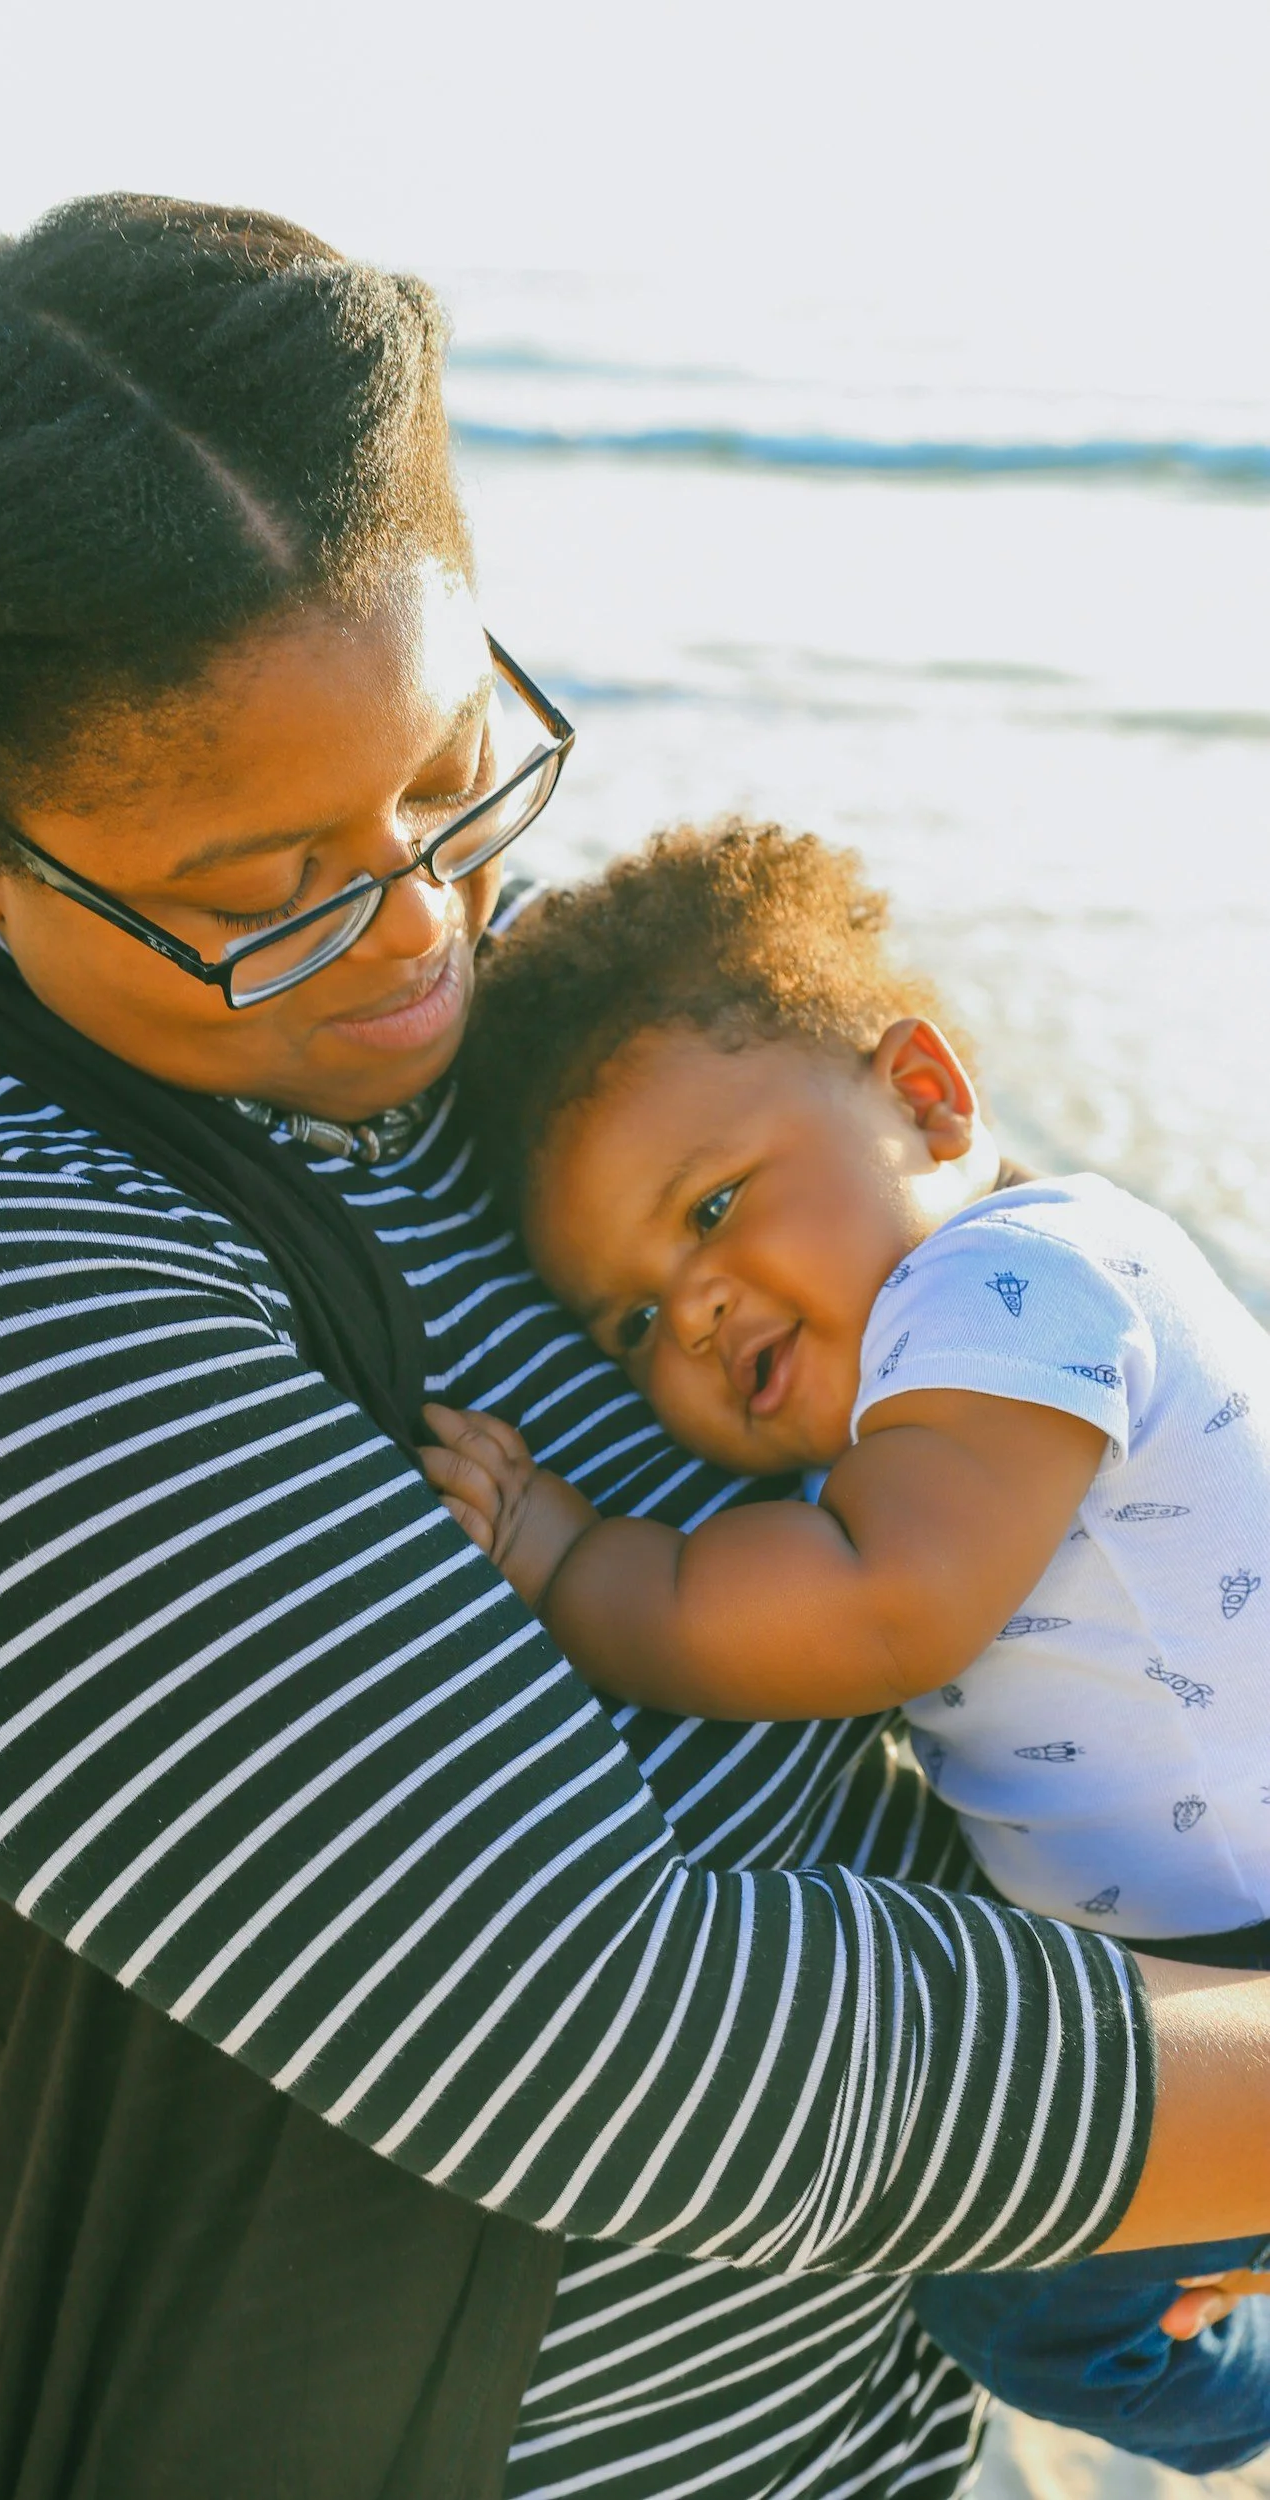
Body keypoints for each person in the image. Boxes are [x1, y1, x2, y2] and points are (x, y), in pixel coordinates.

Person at [0, 194, 1270, 2500]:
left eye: (449, 775)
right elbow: (628, 2050)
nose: (421, 929)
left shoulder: (514, 1055)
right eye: (267, 888)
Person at [424, 819, 1270, 2471]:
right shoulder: (963, 1330)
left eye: (715, 1205)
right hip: (1203, 1919)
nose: (694, 1310)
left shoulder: (999, 1293)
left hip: (1235, 1936)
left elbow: (878, 1609)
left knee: (1029, 2310)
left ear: (930, 1099)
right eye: (627, 1318)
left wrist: (568, 1554)